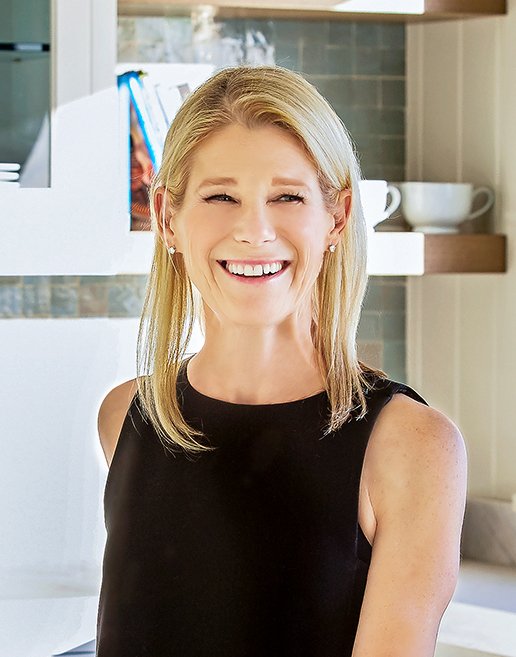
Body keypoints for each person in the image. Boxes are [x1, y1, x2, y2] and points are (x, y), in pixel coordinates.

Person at [96, 65, 467, 657]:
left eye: (287, 197)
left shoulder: (411, 446)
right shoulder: (126, 417)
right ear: (167, 216)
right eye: (221, 196)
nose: (254, 230)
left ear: (337, 217)